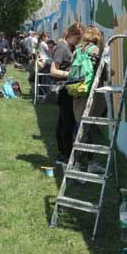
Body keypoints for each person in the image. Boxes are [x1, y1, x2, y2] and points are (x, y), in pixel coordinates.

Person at [72, 26, 106, 174]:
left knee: (85, 128)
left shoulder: (77, 50)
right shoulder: (96, 51)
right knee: (84, 130)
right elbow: (102, 74)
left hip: (77, 91)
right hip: (91, 94)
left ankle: (90, 162)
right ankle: (77, 165)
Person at [50, 22, 84, 164]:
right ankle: (66, 155)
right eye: (77, 39)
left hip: (67, 88)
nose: (78, 42)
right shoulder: (61, 48)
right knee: (67, 123)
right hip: (64, 89)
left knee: (64, 122)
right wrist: (70, 74)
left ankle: (63, 153)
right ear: (70, 35)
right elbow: (53, 70)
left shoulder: (68, 47)